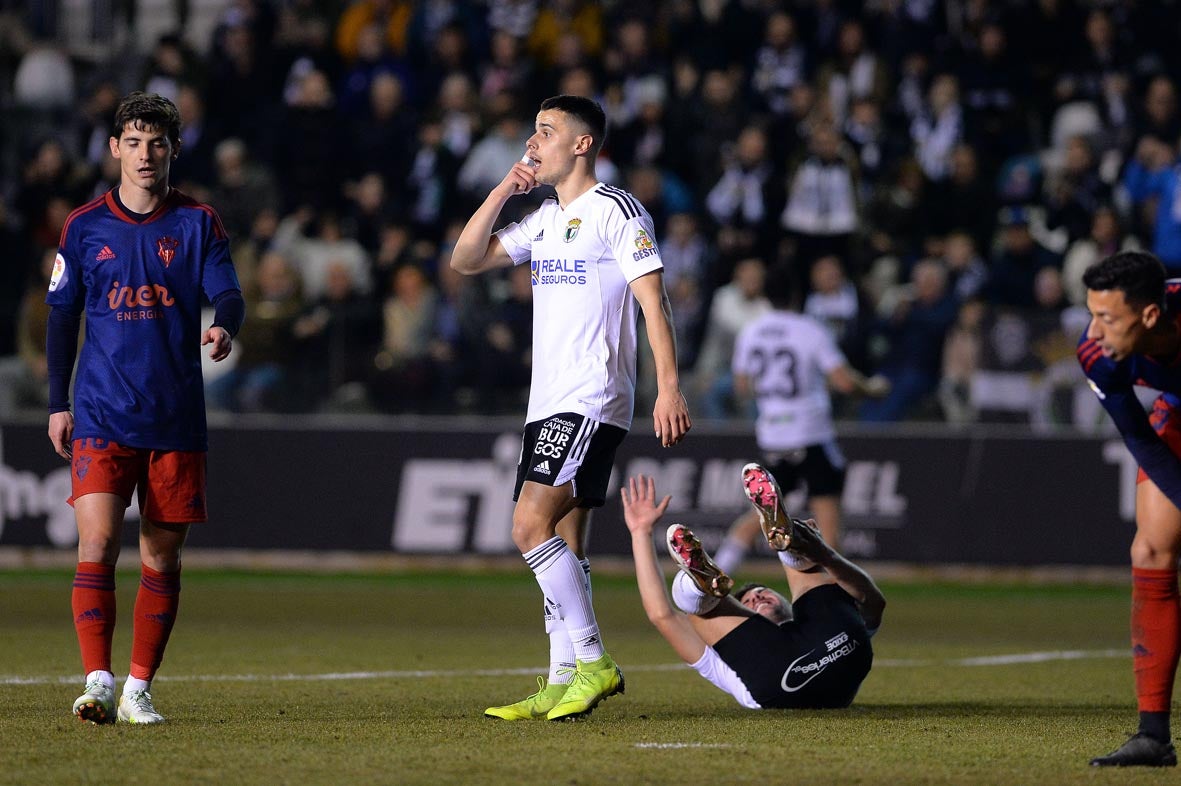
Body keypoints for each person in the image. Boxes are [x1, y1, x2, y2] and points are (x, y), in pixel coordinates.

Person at [449, 94, 692, 721]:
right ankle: (560, 678)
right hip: (548, 399)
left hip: (591, 395)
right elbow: (466, 259)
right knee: (562, 538)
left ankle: (592, 660)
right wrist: (508, 185)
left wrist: (668, 385)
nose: (534, 140)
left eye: (547, 130)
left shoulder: (615, 209)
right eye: (533, 130)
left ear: (583, 144)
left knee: (528, 527)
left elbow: (653, 301)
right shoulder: (543, 218)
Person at [46, 92, 244, 725]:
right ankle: (98, 680)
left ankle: (138, 688)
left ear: (173, 150)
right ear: (114, 150)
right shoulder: (83, 227)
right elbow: (61, 316)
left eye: (156, 143)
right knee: (97, 541)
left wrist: (224, 326)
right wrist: (58, 402)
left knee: (161, 556)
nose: (145, 154)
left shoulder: (198, 223)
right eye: (133, 142)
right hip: (101, 411)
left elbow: (228, 291)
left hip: (175, 416)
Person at [620, 467, 884, 709]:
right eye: (747, 601)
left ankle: (790, 540)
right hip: (803, 666)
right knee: (697, 611)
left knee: (812, 566)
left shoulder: (822, 615)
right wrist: (640, 532)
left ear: (786, 600)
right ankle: (706, 584)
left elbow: (874, 603)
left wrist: (825, 555)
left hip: (821, 653)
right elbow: (661, 615)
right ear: (746, 621)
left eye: (763, 592)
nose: (756, 595)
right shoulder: (723, 661)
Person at [1079, 250, 1181, 766]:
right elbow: (1140, 438)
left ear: (1149, 315)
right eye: (1091, 313)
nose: (1093, 332)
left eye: (1107, 318)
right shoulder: (1098, 354)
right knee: (1152, 547)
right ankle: (1153, 737)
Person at [713, 270, 888, 573]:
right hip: (810, 433)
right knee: (829, 523)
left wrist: (773, 399)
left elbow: (742, 387)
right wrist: (872, 389)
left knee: (762, 513)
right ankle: (838, 597)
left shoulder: (752, 332)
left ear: (765, 296)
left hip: (773, 436)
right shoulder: (810, 329)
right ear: (797, 296)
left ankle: (718, 571)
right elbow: (844, 381)